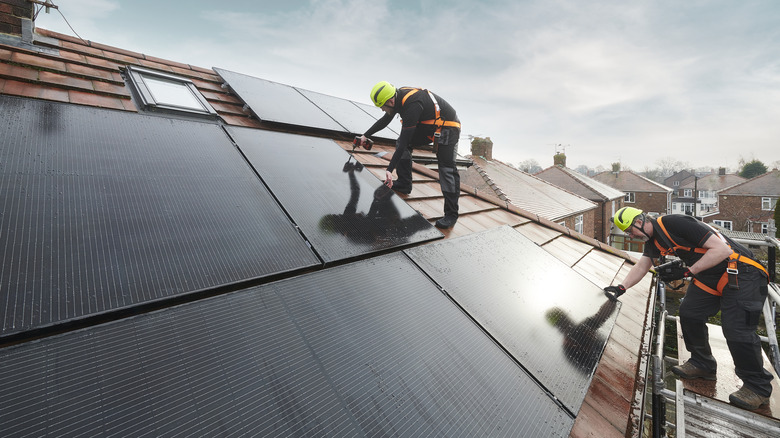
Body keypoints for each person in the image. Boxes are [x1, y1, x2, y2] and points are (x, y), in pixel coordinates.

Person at [603, 206, 772, 411]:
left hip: (743, 273)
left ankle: (757, 387)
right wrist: (621, 288)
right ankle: (703, 364)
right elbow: (642, 265)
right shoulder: (653, 241)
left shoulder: (675, 223)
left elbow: (723, 250)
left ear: (639, 221)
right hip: (710, 276)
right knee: (689, 314)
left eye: (631, 231)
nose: (631, 236)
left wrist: (687, 272)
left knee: (737, 330)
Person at [356, 81, 461, 229]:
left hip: (448, 127)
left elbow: (406, 141)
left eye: (383, 107)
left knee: (446, 169)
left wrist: (389, 169)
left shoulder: (412, 105)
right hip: (429, 125)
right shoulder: (398, 97)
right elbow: (385, 119)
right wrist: (365, 136)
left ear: (391, 101)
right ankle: (404, 183)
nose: (382, 110)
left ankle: (451, 214)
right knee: (401, 143)